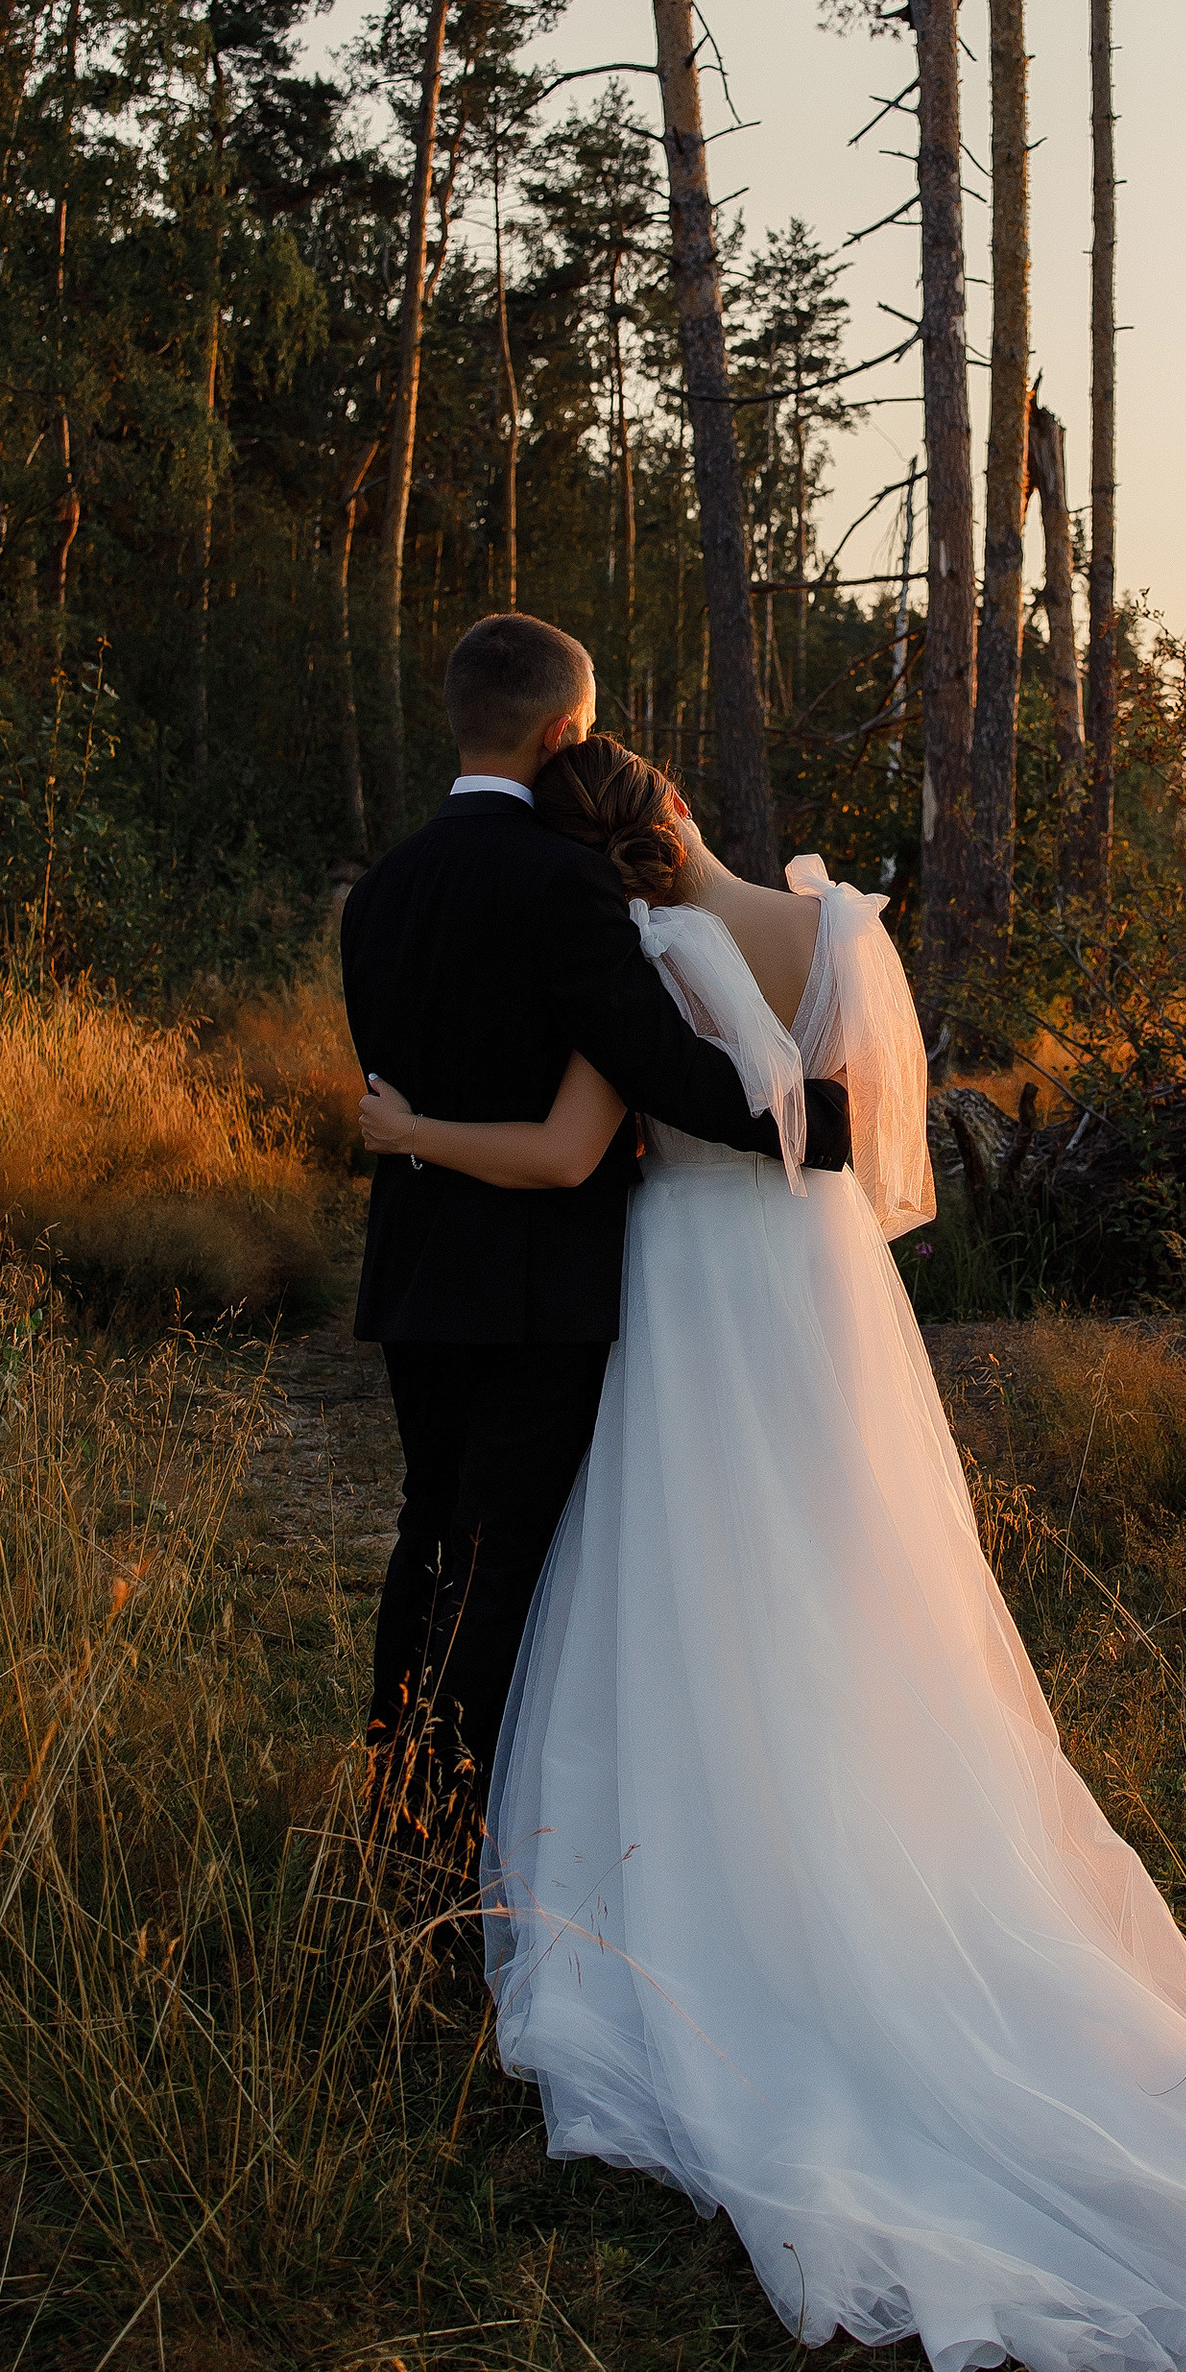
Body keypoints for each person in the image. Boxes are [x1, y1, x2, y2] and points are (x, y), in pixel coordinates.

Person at [355, 730, 1186, 2372]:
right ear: (684, 812)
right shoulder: (848, 925)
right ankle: (869, 1834)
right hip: (827, 1293)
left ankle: (719, 1869)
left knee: (697, 1591)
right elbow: (887, 1153)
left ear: (597, 863)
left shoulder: (634, 959)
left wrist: (406, 1123)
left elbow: (577, 1146)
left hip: (692, 1292)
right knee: (851, 1587)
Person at [337, 611, 851, 1855]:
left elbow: (410, 1080)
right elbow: (660, 1069)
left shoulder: (380, 890)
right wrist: (819, 1119)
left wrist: (407, 1137)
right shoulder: (568, 884)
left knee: (426, 1535)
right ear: (568, 728)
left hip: (415, 1270)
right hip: (533, 1288)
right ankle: (454, 1846)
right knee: (505, 1559)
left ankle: (396, 1814)